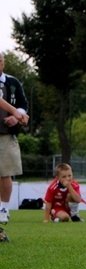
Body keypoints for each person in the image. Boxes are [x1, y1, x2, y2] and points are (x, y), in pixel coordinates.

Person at [0, 51, 30, 227]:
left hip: (6, 135)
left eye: (0, 60)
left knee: (6, 172)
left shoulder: (13, 82)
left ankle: (3, 209)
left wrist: (18, 115)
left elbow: (24, 105)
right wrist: (17, 113)